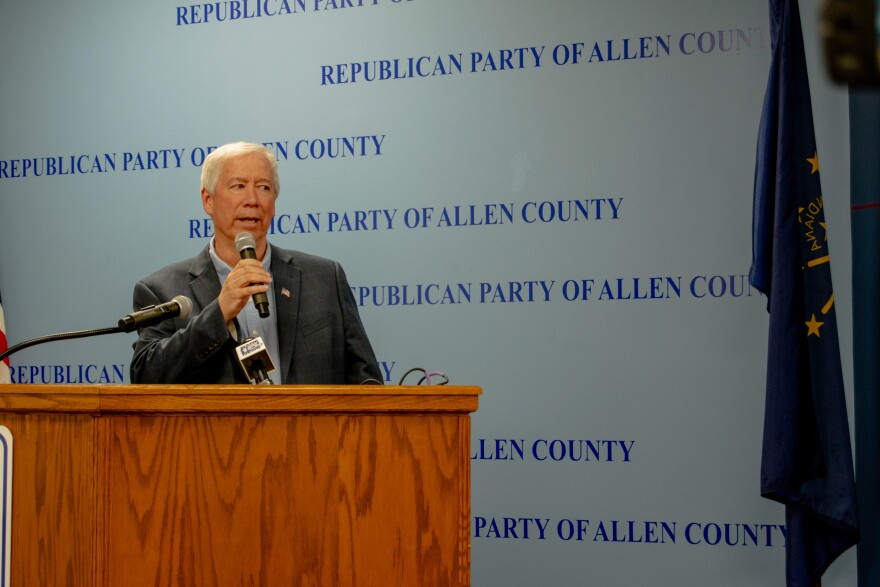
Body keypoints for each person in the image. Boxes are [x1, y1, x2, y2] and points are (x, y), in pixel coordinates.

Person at [129, 141, 382, 385]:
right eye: (238, 186)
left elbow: (366, 379)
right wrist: (218, 314)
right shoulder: (162, 289)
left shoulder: (326, 278)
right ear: (208, 200)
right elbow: (147, 376)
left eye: (264, 188)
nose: (252, 199)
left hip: (313, 429)